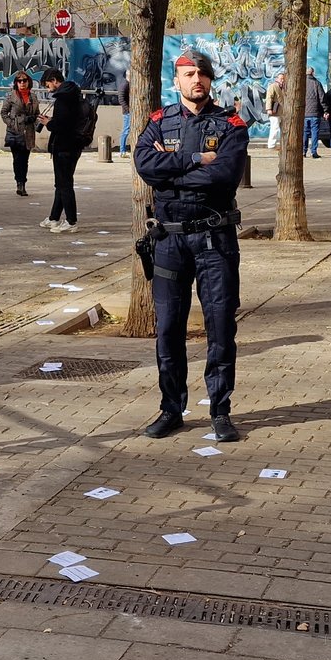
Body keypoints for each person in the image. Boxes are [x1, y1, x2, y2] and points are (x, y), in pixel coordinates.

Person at [135, 53, 249, 443]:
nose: (195, 80)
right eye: (188, 74)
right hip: (169, 240)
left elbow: (224, 175)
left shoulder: (231, 124)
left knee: (220, 326)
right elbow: (145, 166)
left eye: (201, 74)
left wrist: (174, 170)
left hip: (214, 241)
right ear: (177, 80)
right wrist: (196, 159)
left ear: (210, 80)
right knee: (168, 329)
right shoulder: (157, 122)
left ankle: (220, 410)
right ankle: (171, 409)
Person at [41, 67, 89, 232]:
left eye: (48, 86)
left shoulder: (63, 98)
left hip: (64, 146)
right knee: (61, 183)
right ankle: (54, 217)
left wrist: (49, 123)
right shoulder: (73, 94)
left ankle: (71, 220)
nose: (48, 89)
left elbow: (62, 125)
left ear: (54, 80)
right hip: (73, 145)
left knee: (64, 184)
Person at [0, 69, 41, 196]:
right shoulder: (11, 96)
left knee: (25, 160)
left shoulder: (33, 97)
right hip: (15, 132)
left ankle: (23, 183)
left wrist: (35, 121)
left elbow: (37, 113)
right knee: (17, 159)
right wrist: (13, 124)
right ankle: (19, 183)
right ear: (16, 83)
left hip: (28, 132)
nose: (22, 83)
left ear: (29, 82)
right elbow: (3, 113)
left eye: (24, 81)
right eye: (19, 81)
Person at [303, 67, 326, 159]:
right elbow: (322, 98)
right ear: (313, 73)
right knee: (314, 133)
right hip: (315, 113)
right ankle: (314, 152)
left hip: (304, 113)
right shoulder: (317, 83)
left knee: (305, 133)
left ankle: (303, 151)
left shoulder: (302, 83)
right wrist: (325, 110)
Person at [263, 74, 284, 150]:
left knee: (284, 129)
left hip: (283, 112)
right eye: (281, 78)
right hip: (275, 112)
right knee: (274, 128)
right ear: (277, 79)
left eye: (283, 78)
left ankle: (283, 144)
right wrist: (268, 109)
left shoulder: (285, 87)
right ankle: (271, 145)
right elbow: (269, 97)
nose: (282, 80)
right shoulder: (273, 86)